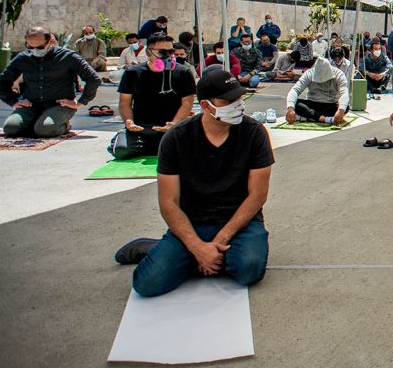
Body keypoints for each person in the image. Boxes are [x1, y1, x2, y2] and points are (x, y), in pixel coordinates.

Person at [113, 70, 273, 296]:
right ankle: (162, 249)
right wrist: (197, 247)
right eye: (228, 101)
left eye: (238, 98)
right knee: (147, 284)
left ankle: (183, 254)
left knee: (248, 270)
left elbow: (257, 196)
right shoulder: (176, 138)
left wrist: (219, 240)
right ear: (206, 106)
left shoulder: (254, 133)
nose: (237, 105)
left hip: (239, 222)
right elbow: (168, 202)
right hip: (193, 220)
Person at [0, 26, 101, 138]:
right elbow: (2, 81)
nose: (35, 50)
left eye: (40, 47)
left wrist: (79, 103)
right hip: (31, 104)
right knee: (11, 128)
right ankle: (36, 124)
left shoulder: (68, 57)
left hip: (60, 104)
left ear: (50, 40)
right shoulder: (23, 58)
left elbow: (93, 79)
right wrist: (13, 100)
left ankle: (64, 126)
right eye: (30, 46)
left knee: (45, 130)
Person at [111, 33, 196, 160]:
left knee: (191, 152)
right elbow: (124, 103)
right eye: (162, 52)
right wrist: (129, 122)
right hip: (141, 128)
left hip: (173, 129)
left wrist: (173, 124)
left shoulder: (183, 72)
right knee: (122, 150)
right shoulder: (133, 73)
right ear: (148, 52)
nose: (168, 56)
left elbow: (187, 104)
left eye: (171, 51)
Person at [285, 56, 349, 125]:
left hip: (330, 104)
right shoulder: (309, 73)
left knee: (345, 106)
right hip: (312, 103)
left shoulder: (338, 74)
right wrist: (290, 108)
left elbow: (344, 93)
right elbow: (295, 90)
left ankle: (313, 117)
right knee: (296, 104)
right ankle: (326, 119)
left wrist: (341, 110)